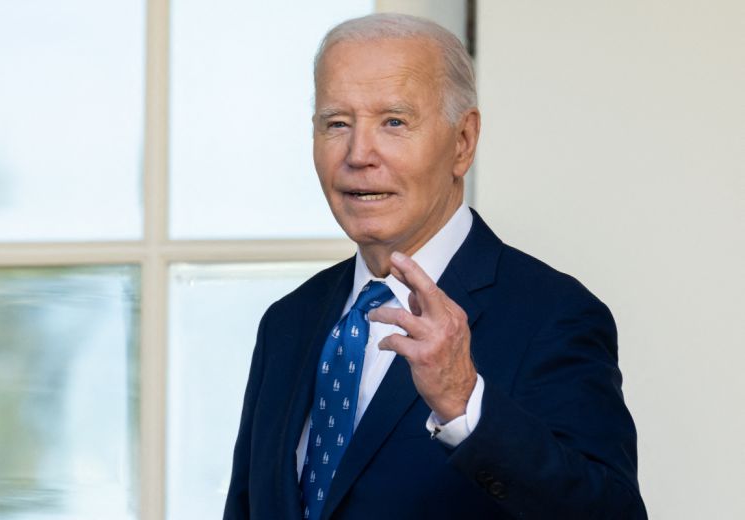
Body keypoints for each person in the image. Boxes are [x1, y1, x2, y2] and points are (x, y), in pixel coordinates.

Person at [224, 13, 646, 520]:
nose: (359, 154)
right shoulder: (287, 322)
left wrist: (464, 402)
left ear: (463, 142)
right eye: (336, 123)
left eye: (394, 122)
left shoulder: (553, 316)